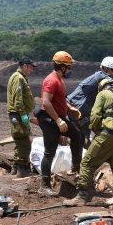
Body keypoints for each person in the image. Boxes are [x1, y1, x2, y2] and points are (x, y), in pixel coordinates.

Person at [64, 78, 113, 208]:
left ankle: (81, 196)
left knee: (87, 163)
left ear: (102, 87)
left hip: (106, 136)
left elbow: (95, 114)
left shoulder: (102, 94)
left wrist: (95, 129)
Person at [35, 51, 83, 197]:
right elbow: (46, 102)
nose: (69, 70)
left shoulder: (59, 79)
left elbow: (59, 99)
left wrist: (69, 108)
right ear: (62, 67)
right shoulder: (51, 80)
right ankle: (44, 185)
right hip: (50, 120)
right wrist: (58, 120)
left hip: (59, 117)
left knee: (77, 135)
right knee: (50, 151)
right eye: (68, 67)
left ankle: (76, 168)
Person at [67, 56, 113, 146]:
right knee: (88, 137)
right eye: (112, 70)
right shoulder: (101, 76)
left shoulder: (100, 77)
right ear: (105, 68)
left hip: (78, 106)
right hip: (80, 107)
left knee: (83, 137)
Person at [6, 57, 36, 178]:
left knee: (20, 141)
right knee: (24, 141)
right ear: (24, 66)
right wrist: (23, 114)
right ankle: (22, 170)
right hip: (18, 114)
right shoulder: (18, 78)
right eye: (30, 67)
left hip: (17, 114)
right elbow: (17, 99)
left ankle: (15, 167)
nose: (31, 70)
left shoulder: (19, 77)